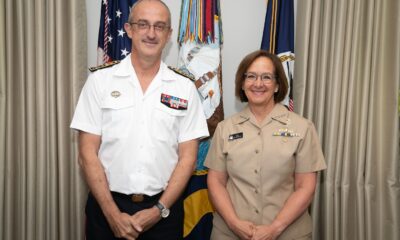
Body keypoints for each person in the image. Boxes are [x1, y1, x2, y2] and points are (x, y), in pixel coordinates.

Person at [70, 1, 209, 239]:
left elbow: (188, 158)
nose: (151, 33)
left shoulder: (185, 88)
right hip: (106, 208)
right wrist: (112, 214)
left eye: (160, 26)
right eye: (143, 24)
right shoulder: (100, 82)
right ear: (129, 29)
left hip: (164, 212)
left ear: (169, 35)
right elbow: (87, 153)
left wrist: (159, 209)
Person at [204, 50, 326, 240]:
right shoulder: (224, 129)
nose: (258, 83)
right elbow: (215, 182)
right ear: (242, 83)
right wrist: (234, 223)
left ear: (277, 85)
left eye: (266, 77)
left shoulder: (303, 127)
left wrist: (275, 229)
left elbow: (306, 187)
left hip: (288, 233)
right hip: (230, 233)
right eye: (251, 76)